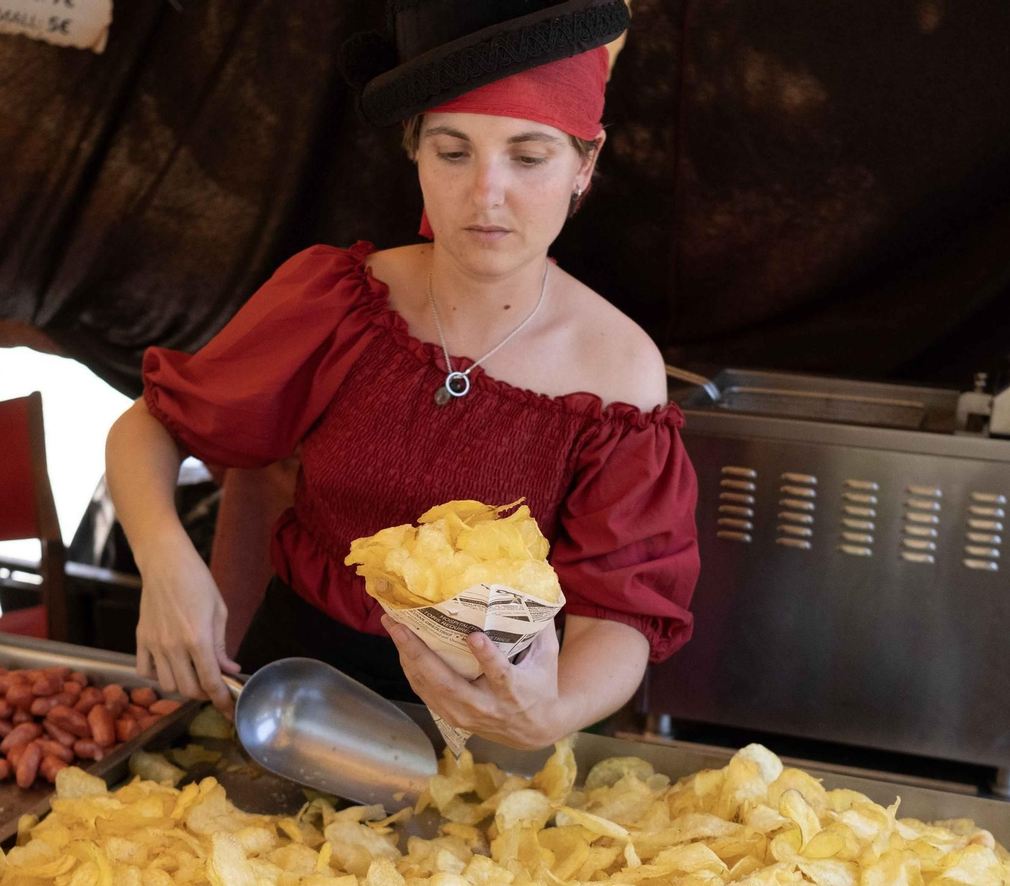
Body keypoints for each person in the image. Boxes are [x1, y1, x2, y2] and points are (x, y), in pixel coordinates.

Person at [105, 0, 699, 750]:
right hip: (297, 696)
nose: (487, 193)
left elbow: (621, 610)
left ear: (585, 163)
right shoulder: (340, 302)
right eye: (454, 153)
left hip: (497, 721)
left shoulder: (619, 375)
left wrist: (548, 713)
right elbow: (150, 427)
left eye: (529, 156)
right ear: (415, 154)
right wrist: (165, 561)